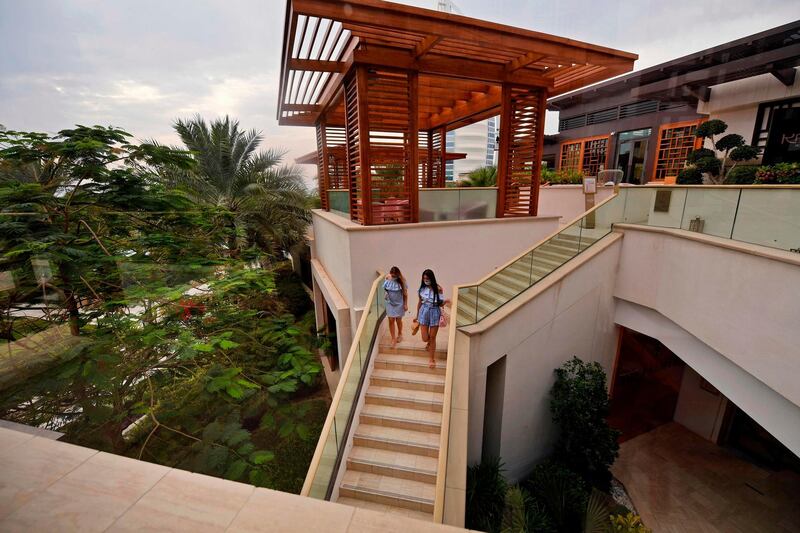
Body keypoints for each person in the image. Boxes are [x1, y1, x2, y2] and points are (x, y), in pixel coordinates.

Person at [413, 269, 446, 368]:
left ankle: (432, 359)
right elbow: (419, 303)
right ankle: (428, 342)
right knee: (425, 338)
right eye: (424, 278)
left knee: (432, 337)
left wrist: (446, 302)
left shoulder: (438, 289)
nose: (425, 280)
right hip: (424, 311)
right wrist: (417, 315)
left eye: (427, 278)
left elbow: (441, 303)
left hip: (435, 311)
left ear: (432, 278)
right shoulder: (421, 289)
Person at [383, 266, 407, 346]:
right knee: (391, 320)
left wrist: (405, 304)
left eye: (394, 276)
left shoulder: (402, 281)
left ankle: (400, 333)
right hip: (390, 303)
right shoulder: (387, 279)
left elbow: (405, 294)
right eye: (392, 275)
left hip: (399, 303)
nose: (393, 277)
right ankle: (393, 338)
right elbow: (385, 289)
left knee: (398, 320)